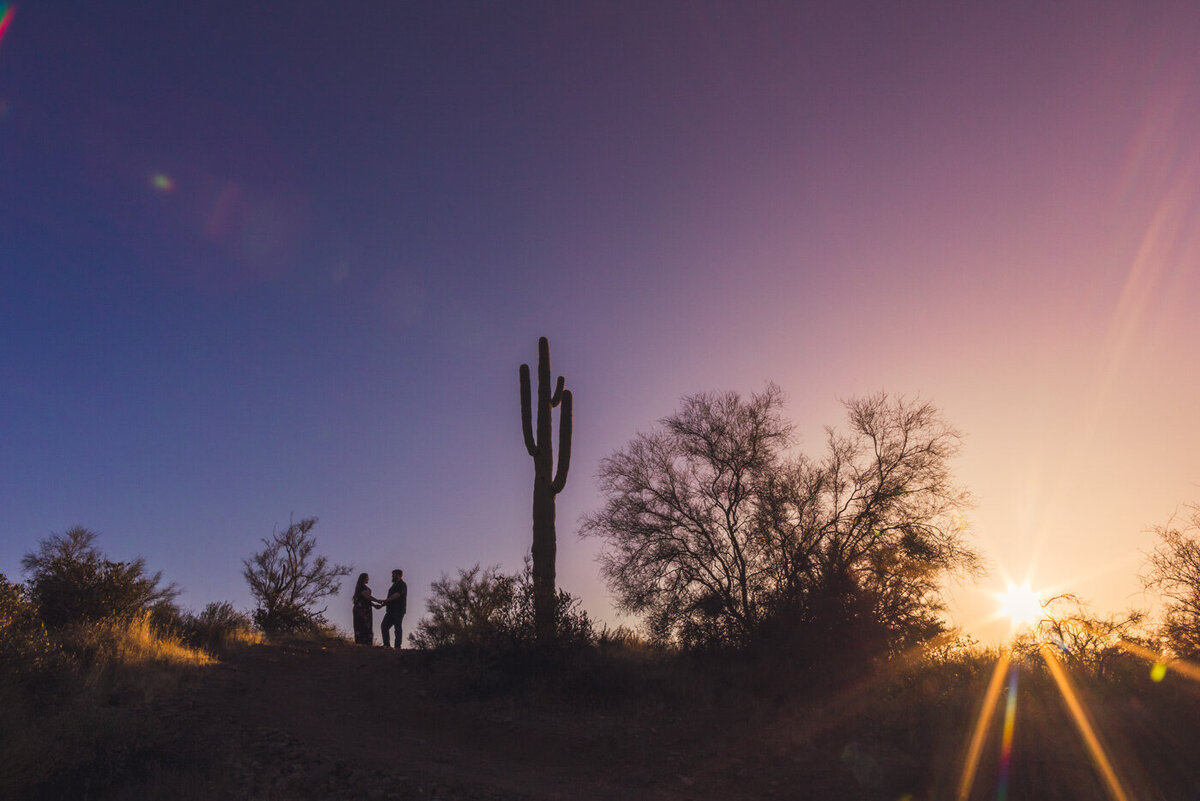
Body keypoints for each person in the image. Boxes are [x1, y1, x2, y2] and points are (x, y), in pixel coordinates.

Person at [351, 573, 383, 646]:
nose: (368, 579)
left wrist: (374, 605)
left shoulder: (361, 587)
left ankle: (365, 644)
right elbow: (367, 597)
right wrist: (377, 600)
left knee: (365, 626)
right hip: (361, 610)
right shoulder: (361, 587)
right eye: (367, 577)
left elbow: (367, 600)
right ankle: (363, 644)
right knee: (362, 626)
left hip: (365, 609)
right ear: (364, 578)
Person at [381, 568, 407, 649]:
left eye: (393, 574)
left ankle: (397, 646)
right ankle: (387, 645)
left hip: (398, 610)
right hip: (390, 610)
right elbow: (390, 598)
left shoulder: (402, 584)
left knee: (397, 627)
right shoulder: (393, 585)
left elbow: (397, 594)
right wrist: (382, 604)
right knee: (384, 626)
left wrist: (385, 601)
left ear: (398, 575)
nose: (392, 576)